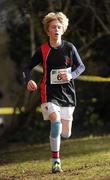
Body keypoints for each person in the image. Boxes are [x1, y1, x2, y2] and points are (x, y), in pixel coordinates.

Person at [23, 12, 85, 173]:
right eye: (53, 27)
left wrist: (71, 74)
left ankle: (60, 140)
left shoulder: (70, 48)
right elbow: (27, 67)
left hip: (68, 95)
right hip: (49, 93)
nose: (56, 29)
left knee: (66, 133)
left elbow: (81, 67)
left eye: (59, 27)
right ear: (48, 30)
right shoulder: (42, 50)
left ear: (63, 29)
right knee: (55, 122)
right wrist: (28, 80)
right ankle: (56, 161)